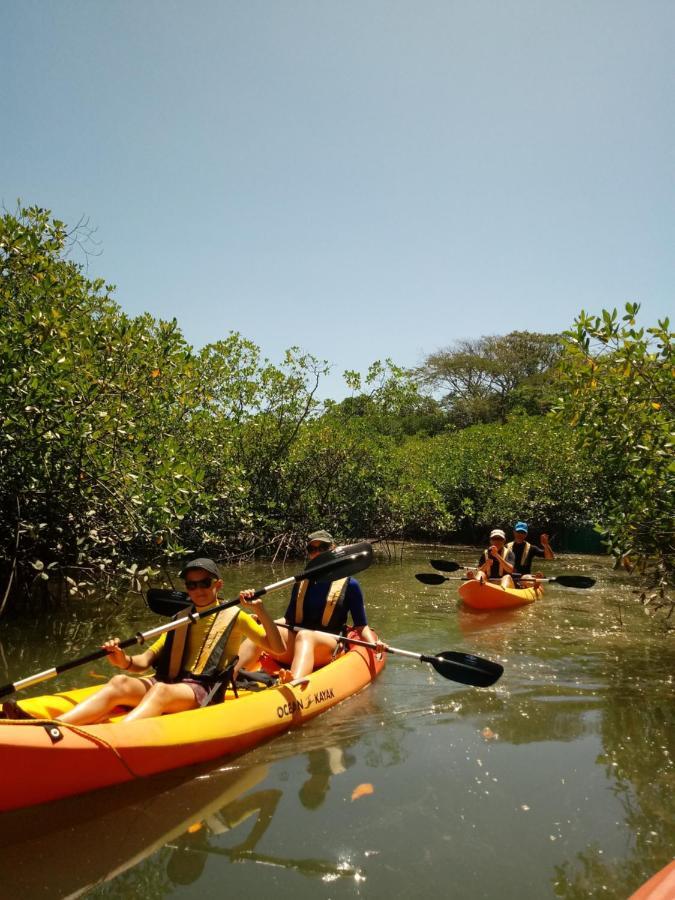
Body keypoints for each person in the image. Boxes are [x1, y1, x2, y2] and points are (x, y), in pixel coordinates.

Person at [54, 558, 284, 725]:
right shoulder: (179, 619)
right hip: (169, 682)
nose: (198, 589)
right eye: (191, 585)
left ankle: (119, 736)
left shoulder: (236, 616)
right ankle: (57, 727)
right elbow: (143, 662)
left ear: (218, 585)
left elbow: (277, 648)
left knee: (160, 692)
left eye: (204, 583)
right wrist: (122, 659)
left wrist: (260, 610)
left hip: (202, 689)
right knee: (119, 683)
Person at [236, 530, 383, 683]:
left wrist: (373, 644)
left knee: (305, 635)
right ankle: (227, 678)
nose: (317, 553)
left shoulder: (350, 585)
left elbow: (361, 626)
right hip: (298, 642)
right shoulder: (301, 582)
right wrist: (264, 621)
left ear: (333, 548)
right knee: (260, 630)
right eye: (312, 549)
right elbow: (288, 620)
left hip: (328, 646)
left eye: (323, 548)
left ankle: (293, 683)